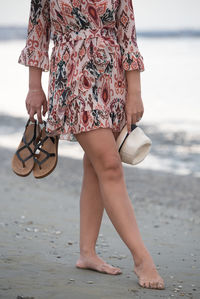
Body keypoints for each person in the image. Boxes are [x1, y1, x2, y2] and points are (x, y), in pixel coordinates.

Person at [18, 0, 165, 289]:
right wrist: (34, 87)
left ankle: (87, 253)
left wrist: (134, 92)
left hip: (113, 78)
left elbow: (127, 33)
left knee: (96, 165)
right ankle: (142, 259)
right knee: (109, 165)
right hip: (71, 75)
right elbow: (38, 32)